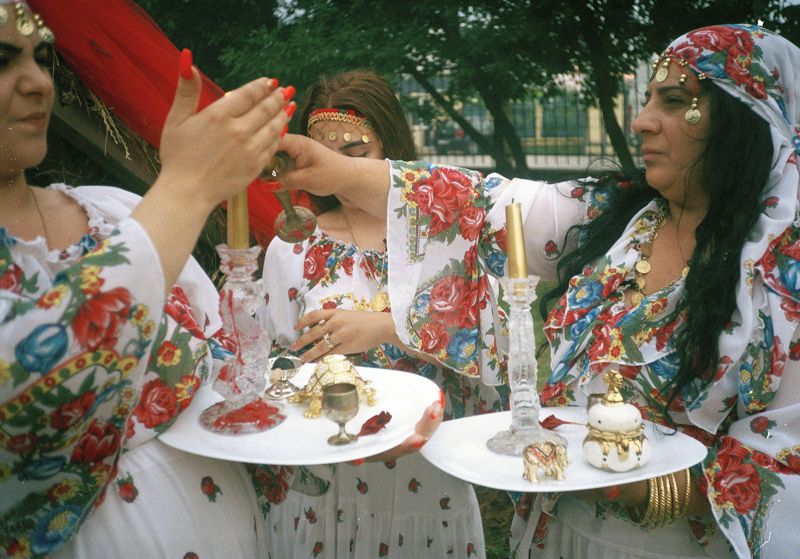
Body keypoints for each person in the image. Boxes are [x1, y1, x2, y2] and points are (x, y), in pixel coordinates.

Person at [273, 24, 800, 559]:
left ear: (743, 122)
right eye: (647, 100)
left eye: (673, 101)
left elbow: (783, 461)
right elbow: (486, 206)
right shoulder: (617, 217)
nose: (642, 121)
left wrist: (633, 485)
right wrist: (339, 171)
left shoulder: (785, 281)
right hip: (556, 528)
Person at [0, 2, 292, 557]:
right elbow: (36, 378)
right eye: (2, 59)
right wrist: (185, 187)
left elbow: (218, 362)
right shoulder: (156, 216)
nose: (39, 81)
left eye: (42, 56)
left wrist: (324, 422)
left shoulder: (114, 213)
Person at [256, 70, 506, 559]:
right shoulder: (292, 247)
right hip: (329, 482)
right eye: (326, 158)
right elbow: (273, 366)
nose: (339, 172)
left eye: (356, 155)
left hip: (428, 473)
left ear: (390, 147)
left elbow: (494, 345)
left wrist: (386, 328)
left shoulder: (442, 235)